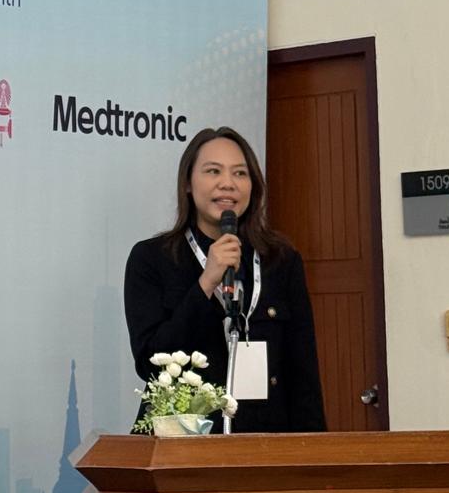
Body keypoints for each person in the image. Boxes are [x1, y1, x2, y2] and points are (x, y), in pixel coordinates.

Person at [124, 126, 327, 432]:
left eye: (240, 173)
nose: (228, 184)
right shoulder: (152, 258)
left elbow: (303, 372)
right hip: (184, 436)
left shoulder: (281, 260)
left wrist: (313, 450)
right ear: (188, 183)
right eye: (213, 171)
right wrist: (206, 283)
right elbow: (149, 362)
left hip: (265, 436)